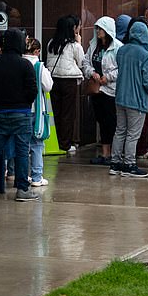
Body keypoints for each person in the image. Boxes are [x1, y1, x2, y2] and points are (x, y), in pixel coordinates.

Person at [0, 28, 38, 201]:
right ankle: (22, 190)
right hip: (21, 113)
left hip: (0, 111)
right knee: (21, 153)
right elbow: (32, 90)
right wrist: (24, 102)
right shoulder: (25, 64)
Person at [108, 22, 148, 178]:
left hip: (120, 97)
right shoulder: (146, 55)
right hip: (137, 100)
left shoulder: (122, 50)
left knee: (120, 131)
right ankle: (129, 165)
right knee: (133, 134)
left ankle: (115, 163)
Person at [82, 16, 122, 165]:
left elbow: (121, 68)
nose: (98, 31)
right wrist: (91, 72)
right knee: (101, 121)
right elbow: (85, 62)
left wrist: (109, 77)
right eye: (97, 28)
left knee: (110, 121)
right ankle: (105, 154)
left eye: (101, 29)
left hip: (110, 90)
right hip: (96, 89)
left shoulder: (118, 47)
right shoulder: (93, 45)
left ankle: (113, 153)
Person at [46, 15, 84, 153]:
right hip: (69, 81)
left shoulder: (51, 43)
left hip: (53, 81)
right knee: (67, 114)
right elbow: (82, 62)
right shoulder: (74, 45)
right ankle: (65, 144)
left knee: (55, 111)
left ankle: (53, 142)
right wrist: (79, 43)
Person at [23, 38, 53, 187]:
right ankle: (36, 176)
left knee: (22, 144)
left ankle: (20, 174)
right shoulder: (39, 66)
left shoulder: (19, 63)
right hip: (36, 109)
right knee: (37, 143)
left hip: (21, 109)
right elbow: (48, 86)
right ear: (37, 51)